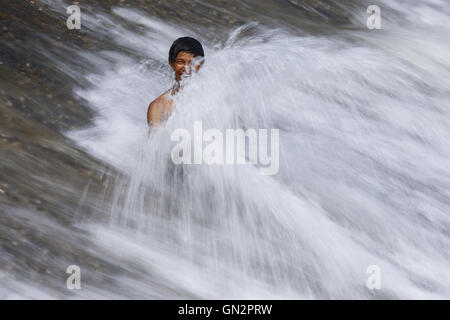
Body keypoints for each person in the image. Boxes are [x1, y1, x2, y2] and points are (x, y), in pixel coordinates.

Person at [147, 37, 205, 127]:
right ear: (171, 63)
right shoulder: (159, 107)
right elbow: (155, 140)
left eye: (192, 63)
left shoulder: (215, 97)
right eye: (180, 62)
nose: (186, 68)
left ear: (201, 64)